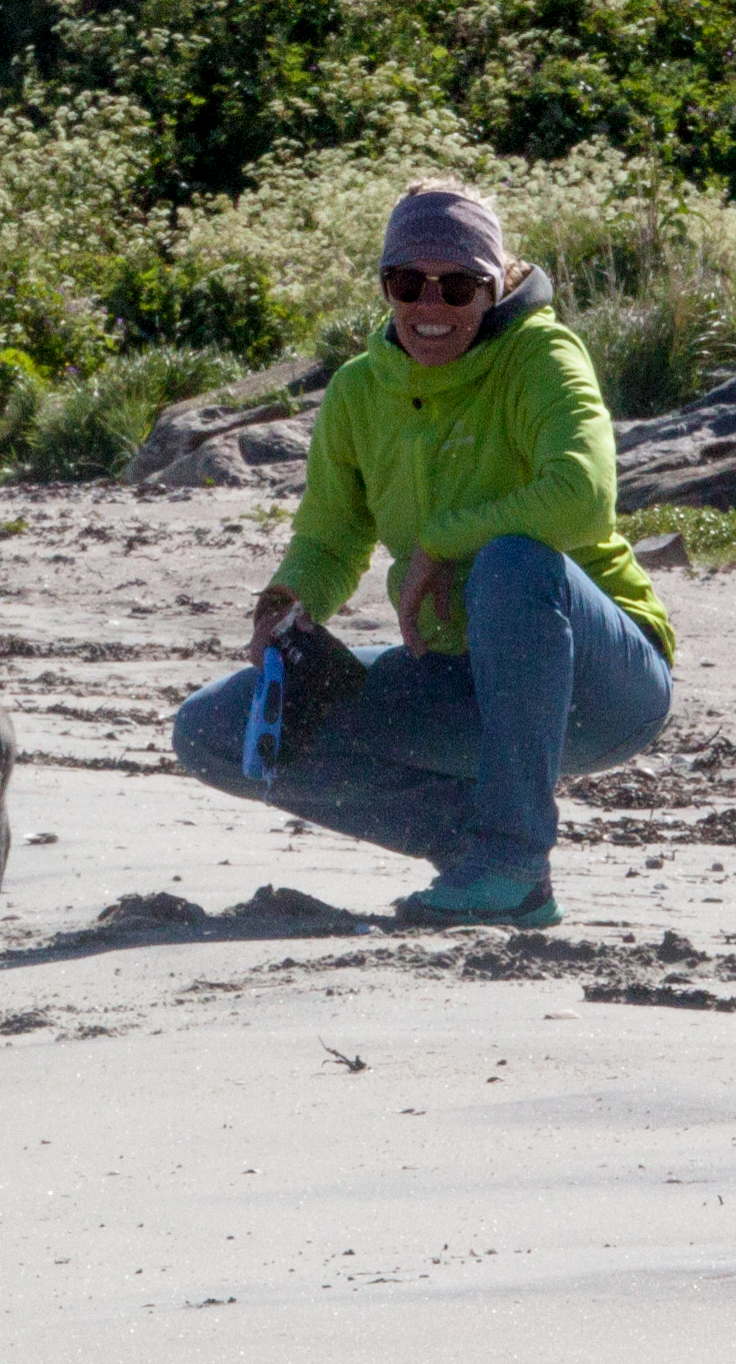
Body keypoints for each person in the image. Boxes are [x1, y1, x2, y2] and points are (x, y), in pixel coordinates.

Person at [172, 179, 675, 929]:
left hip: (602, 689)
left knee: (511, 560)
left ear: (495, 284)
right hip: (458, 679)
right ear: (385, 286)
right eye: (407, 283)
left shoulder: (541, 353)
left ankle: (512, 858)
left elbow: (582, 495)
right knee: (214, 731)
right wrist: (285, 608)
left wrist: (441, 542)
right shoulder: (356, 391)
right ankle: (474, 851)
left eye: (458, 286)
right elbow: (331, 534)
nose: (430, 307)